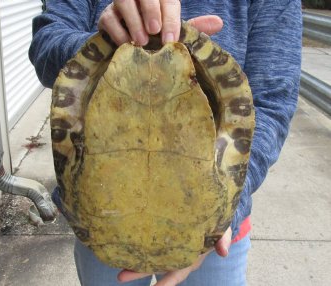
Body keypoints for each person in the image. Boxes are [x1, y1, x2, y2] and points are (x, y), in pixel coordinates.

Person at [29, 0, 302, 285]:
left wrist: (223, 219)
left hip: (207, 238)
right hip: (105, 222)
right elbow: (45, 43)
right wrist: (106, 41)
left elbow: (272, 101)